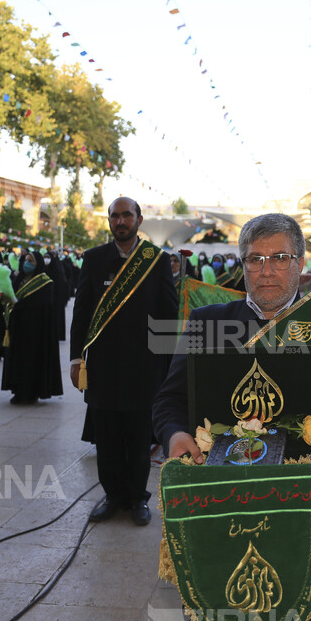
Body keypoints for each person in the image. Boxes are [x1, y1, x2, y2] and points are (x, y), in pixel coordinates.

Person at [152, 213, 311, 621]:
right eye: (254, 259)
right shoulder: (207, 324)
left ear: (300, 263)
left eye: (279, 258)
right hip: (214, 502)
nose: (266, 270)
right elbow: (169, 401)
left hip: (298, 508)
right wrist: (173, 437)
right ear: (242, 266)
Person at [70, 197, 177, 525]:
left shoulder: (156, 261)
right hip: (102, 366)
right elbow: (82, 313)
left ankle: (136, 497)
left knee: (138, 435)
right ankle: (113, 495)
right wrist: (77, 359)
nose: (120, 221)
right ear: (109, 221)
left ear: (139, 219)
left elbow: (168, 313)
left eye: (126, 215)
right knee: (108, 434)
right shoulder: (94, 259)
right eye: (114, 216)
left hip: (143, 367)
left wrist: (167, 366)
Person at [1, 250, 63, 405]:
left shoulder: (45, 282)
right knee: (17, 361)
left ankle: (31, 392)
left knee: (31, 362)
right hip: (17, 328)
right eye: (25, 260)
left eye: (31, 261)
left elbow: (43, 306)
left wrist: (20, 305)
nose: (27, 263)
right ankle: (18, 390)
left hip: (35, 331)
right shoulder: (18, 278)